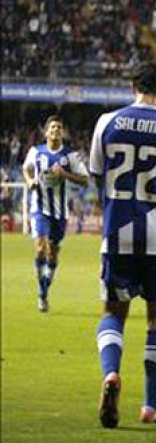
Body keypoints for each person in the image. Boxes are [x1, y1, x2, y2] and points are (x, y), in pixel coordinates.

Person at [89, 62, 156, 427]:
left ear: (132, 85)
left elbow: (97, 177)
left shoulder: (106, 122)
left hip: (117, 233)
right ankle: (150, 405)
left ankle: (110, 374)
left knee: (113, 313)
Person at [22, 115, 88, 312]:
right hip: (39, 209)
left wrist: (65, 174)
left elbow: (85, 180)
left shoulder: (70, 156)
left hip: (60, 213)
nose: (55, 131)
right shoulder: (36, 152)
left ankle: (43, 292)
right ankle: (42, 294)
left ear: (63, 132)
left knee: (53, 255)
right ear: (46, 132)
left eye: (59, 127)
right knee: (41, 248)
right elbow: (26, 169)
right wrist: (30, 181)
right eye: (52, 128)